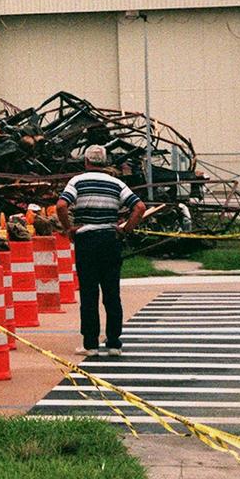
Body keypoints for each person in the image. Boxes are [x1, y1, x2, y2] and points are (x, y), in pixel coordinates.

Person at [55, 144, 146, 357]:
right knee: (112, 293)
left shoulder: (76, 181)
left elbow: (60, 206)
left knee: (89, 293)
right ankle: (114, 343)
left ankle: (90, 344)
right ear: (105, 163)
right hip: (109, 240)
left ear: (86, 162)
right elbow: (139, 207)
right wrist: (125, 230)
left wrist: (69, 229)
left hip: (86, 240)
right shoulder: (117, 183)